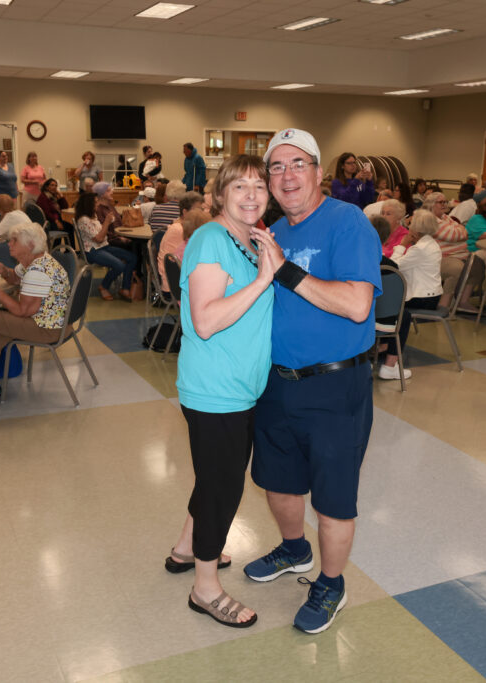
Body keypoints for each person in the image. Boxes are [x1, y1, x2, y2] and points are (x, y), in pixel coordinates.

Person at [244, 128, 381, 635]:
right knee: (277, 482)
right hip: (276, 385)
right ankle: (293, 549)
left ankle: (331, 583)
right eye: (276, 167)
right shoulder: (275, 229)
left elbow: (356, 305)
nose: (287, 175)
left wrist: (285, 272)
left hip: (333, 387)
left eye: (297, 163)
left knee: (332, 497)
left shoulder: (347, 224)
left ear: (319, 172)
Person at [166, 154, 277, 629]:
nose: (251, 195)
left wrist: (268, 262)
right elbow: (206, 320)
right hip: (216, 389)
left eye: (259, 187)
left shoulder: (249, 239)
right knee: (224, 489)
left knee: (214, 475)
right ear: (220, 195)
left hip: (240, 386)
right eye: (240, 187)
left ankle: (186, 549)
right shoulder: (212, 239)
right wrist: (266, 278)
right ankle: (205, 589)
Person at [0, 223, 70, 410]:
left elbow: (22, 311)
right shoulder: (36, 261)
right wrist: (4, 271)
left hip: (47, 329)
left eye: (14, 241)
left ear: (29, 245)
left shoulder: (38, 271)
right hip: (50, 322)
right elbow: (16, 278)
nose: (9, 244)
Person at [377, 209, 443, 381]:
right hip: (431, 295)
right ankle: (385, 348)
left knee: (395, 311)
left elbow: (394, 266)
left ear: (417, 229)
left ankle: (387, 354)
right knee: (392, 307)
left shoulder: (419, 249)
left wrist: (401, 244)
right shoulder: (431, 244)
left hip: (423, 298)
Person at [74, 192, 137, 301]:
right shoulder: (84, 220)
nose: (97, 204)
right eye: (95, 202)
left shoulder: (93, 217)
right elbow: (98, 239)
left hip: (103, 247)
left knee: (132, 258)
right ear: (88, 204)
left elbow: (102, 236)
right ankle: (104, 286)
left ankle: (125, 288)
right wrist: (107, 222)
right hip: (92, 251)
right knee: (119, 265)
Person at [425, 192, 481, 312]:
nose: (445, 204)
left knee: (478, 265)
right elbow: (453, 235)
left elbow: (464, 232)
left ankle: (463, 302)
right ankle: (444, 304)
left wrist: (458, 231)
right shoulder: (430, 219)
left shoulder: (445, 217)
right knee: (456, 269)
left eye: (445, 202)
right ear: (431, 204)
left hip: (459, 255)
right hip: (440, 257)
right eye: (441, 202)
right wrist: (458, 231)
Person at [157, 193, 205, 291]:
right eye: (198, 210)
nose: (202, 213)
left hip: (179, 278)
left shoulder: (180, 226)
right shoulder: (180, 230)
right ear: (185, 212)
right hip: (174, 283)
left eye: (202, 210)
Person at [93, 182, 131, 250]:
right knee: (135, 244)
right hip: (110, 240)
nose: (112, 192)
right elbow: (102, 230)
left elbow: (119, 223)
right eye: (108, 191)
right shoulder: (99, 209)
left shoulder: (110, 206)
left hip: (119, 235)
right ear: (101, 194)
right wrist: (118, 237)